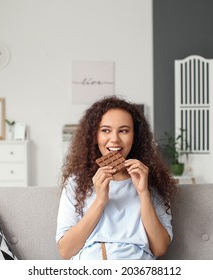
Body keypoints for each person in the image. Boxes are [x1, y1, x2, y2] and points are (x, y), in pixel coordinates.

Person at [56, 95, 177, 260]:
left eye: (124, 131)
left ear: (135, 137)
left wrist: (143, 193)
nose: (114, 139)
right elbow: (66, 251)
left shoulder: (152, 180)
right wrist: (100, 201)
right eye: (105, 130)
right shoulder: (76, 183)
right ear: (94, 136)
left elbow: (159, 248)